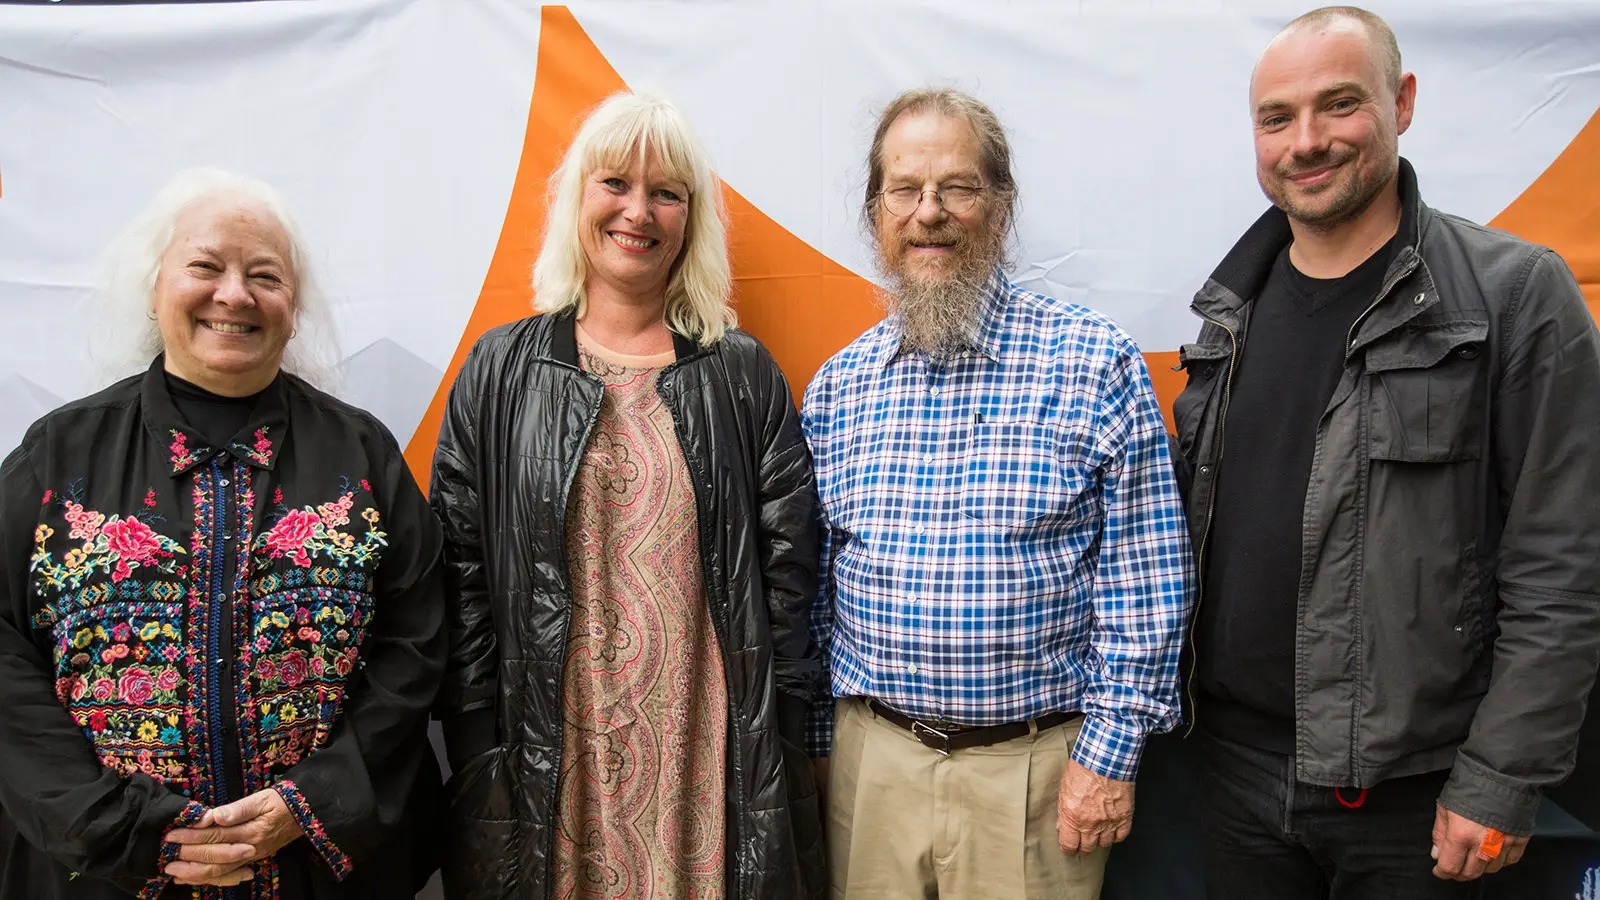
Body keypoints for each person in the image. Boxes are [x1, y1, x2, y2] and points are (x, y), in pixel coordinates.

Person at [1172, 7, 1600, 898]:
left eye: (1339, 105)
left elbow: (1564, 565)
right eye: (1277, 118)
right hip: (1235, 775)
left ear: (1401, 103)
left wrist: (1500, 778)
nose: (1307, 141)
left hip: (1422, 798)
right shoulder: (1228, 314)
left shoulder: (1515, 296)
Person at [0, 169, 447, 899]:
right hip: (102, 875)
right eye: (205, 266)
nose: (233, 294)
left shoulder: (359, 455)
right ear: (154, 289)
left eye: (263, 275)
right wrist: (113, 824)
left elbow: (419, 642)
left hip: (314, 871)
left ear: (292, 308)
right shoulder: (58, 455)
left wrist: (309, 804)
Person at [430, 90, 825, 900]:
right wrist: (478, 745)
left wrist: (778, 743)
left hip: (703, 750)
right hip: (549, 746)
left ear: (691, 218)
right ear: (578, 197)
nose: (637, 211)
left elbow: (790, 580)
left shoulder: (742, 374)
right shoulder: (499, 370)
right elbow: (461, 571)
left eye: (666, 192)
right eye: (616, 183)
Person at [803, 87, 1195, 900]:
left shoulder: (1092, 363)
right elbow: (813, 588)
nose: (929, 212)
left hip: (1037, 776)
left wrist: (1110, 757)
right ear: (876, 211)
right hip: (871, 765)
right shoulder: (839, 388)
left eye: (959, 187)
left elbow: (1147, 580)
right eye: (904, 190)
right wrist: (816, 748)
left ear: (1002, 205)